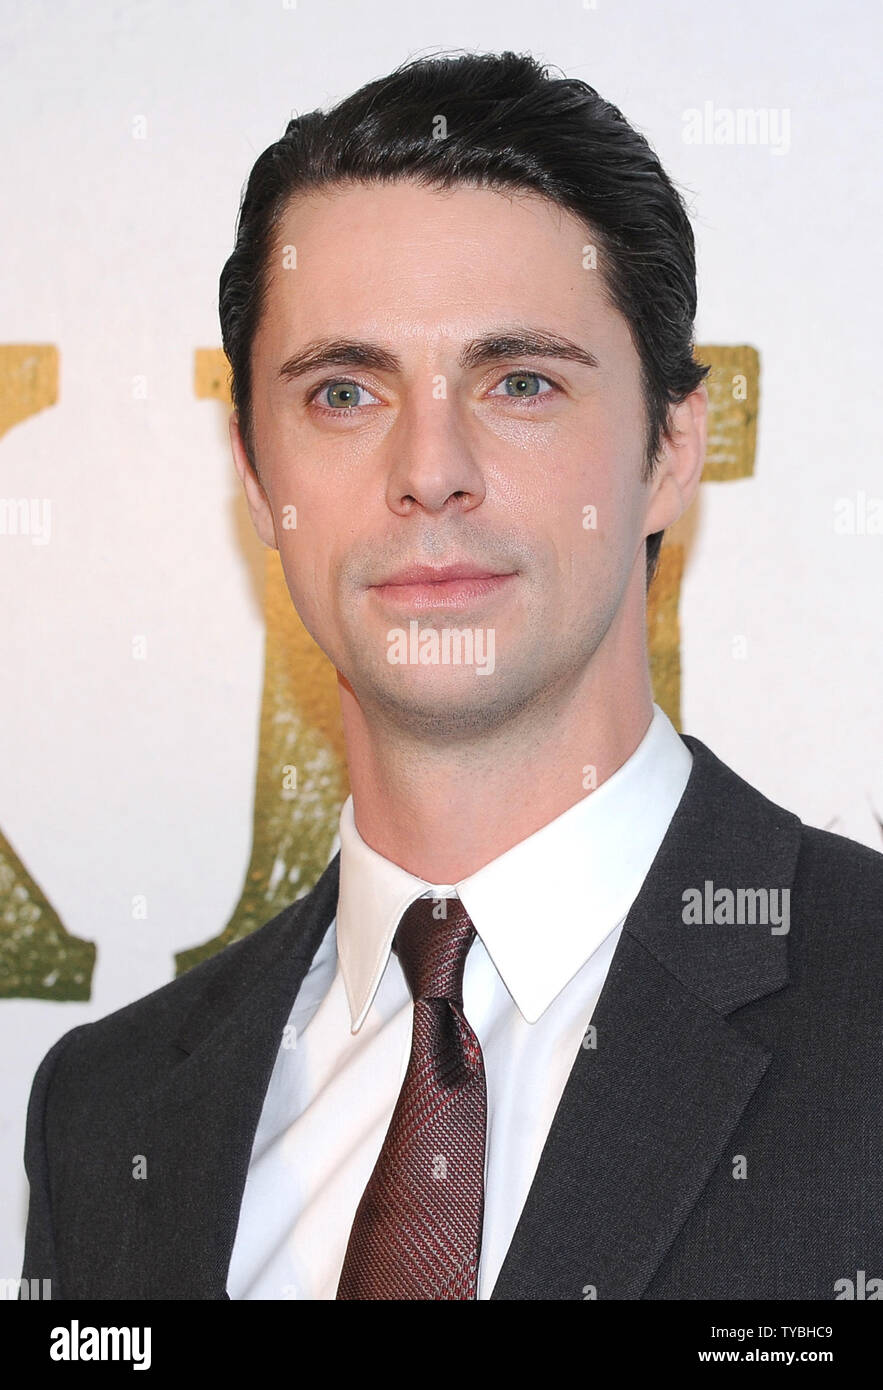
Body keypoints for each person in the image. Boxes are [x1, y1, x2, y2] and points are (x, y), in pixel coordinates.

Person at [21, 50, 883, 1301]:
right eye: (343, 390)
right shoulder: (109, 1113)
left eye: (519, 381)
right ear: (257, 477)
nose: (430, 467)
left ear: (670, 448)